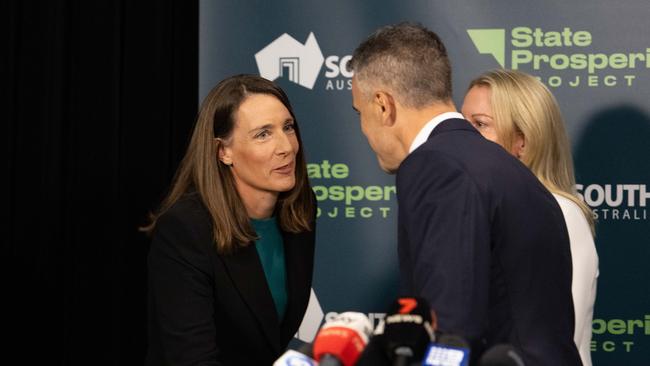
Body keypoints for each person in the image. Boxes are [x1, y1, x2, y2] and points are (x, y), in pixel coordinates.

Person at [348, 22, 581, 365]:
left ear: (383, 106)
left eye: (360, 113)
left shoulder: (435, 165)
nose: (364, 130)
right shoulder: (502, 165)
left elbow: (450, 327)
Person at [142, 74, 317, 365]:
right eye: (263, 134)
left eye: (288, 127)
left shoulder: (301, 210)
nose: (286, 146)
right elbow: (192, 359)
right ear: (223, 151)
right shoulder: (186, 229)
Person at [462, 69, 598, 366]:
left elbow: (556, 341)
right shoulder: (478, 213)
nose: (464, 137)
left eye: (480, 125)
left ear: (522, 142)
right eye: (462, 124)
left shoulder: (561, 212)